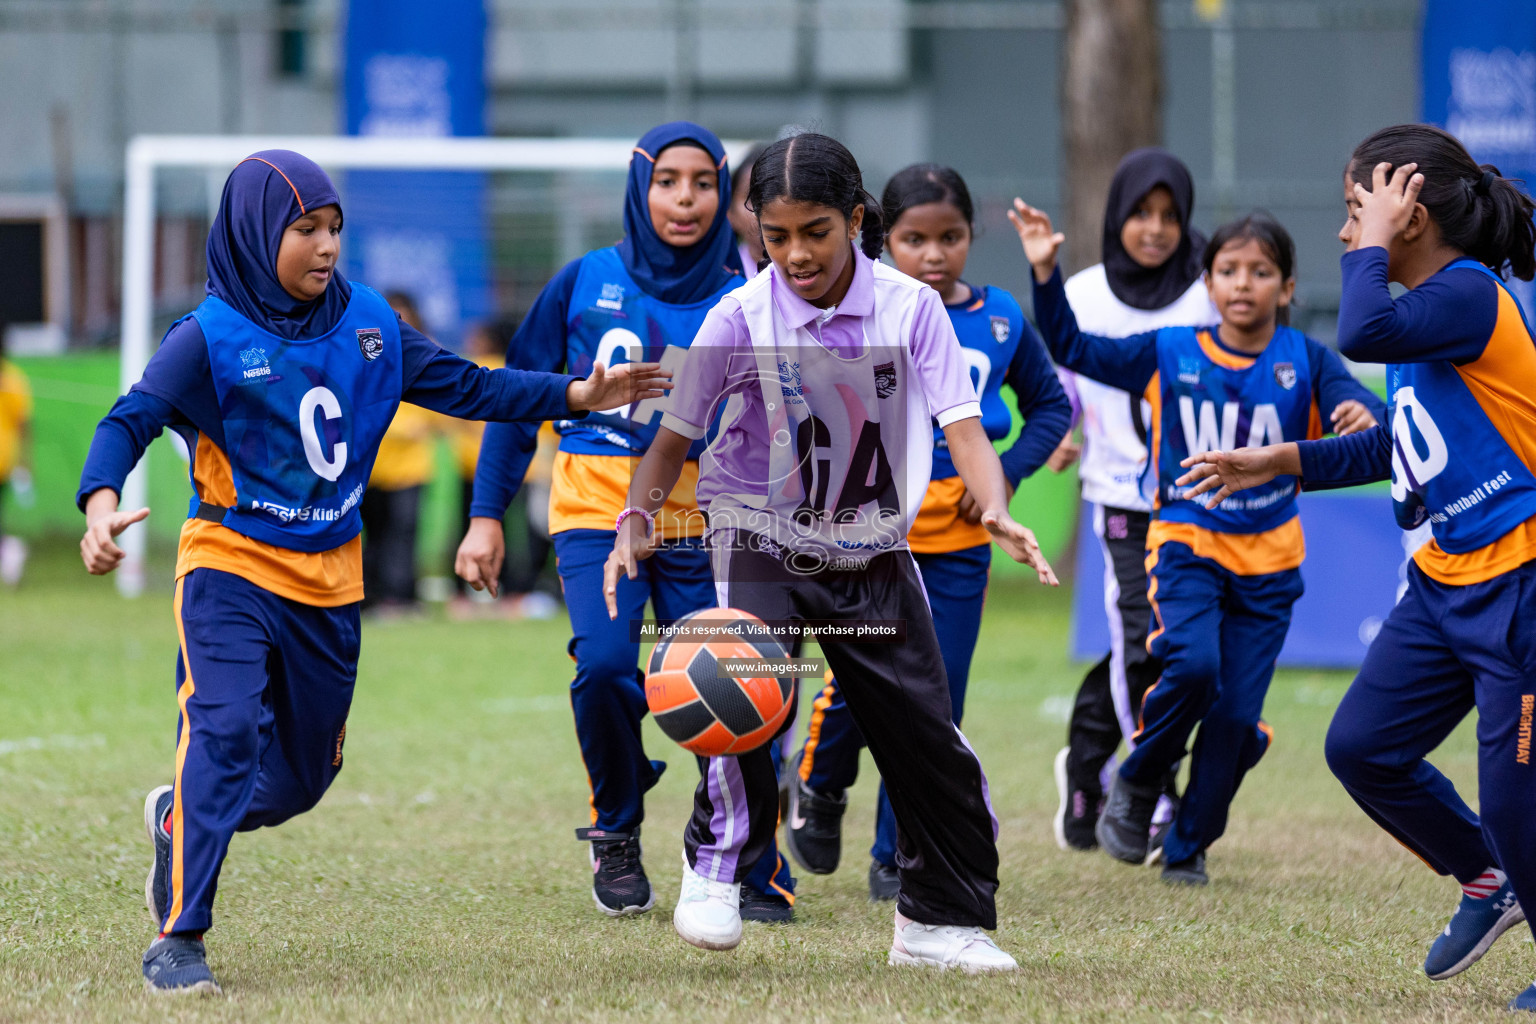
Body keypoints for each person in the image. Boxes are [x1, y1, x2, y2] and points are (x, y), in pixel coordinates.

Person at [74, 150, 668, 996]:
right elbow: (128, 420)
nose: (324, 247)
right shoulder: (204, 335)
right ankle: (181, 936)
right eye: (304, 230)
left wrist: (577, 395)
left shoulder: (371, 324)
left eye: (333, 231)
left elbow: (471, 388)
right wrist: (100, 504)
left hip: (330, 580)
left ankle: (180, 816)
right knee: (225, 731)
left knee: (301, 779)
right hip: (230, 567)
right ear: (252, 233)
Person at [604, 132, 1059, 969]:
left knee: (926, 732)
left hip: (870, 542)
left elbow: (964, 428)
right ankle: (715, 870)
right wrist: (636, 515)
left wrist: (995, 508)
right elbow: (672, 440)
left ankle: (936, 925)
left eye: (815, 230)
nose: (796, 253)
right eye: (775, 237)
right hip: (756, 531)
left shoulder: (910, 307)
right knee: (739, 680)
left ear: (855, 218)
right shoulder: (736, 316)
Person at [1178, 124, 1536, 1010]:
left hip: (1520, 584)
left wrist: (1376, 242)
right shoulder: (1427, 317)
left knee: (1519, 803)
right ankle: (1489, 883)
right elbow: (1398, 447)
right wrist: (1275, 460)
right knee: (1363, 749)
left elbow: (1364, 326)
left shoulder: (1465, 295)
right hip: (1445, 587)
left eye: (1358, 213)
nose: (1348, 234)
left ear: (1409, 214)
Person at [455, 122, 797, 922]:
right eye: (667, 180)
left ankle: (750, 862)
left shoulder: (750, 293)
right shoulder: (581, 282)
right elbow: (516, 405)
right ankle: (616, 828)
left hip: (705, 521)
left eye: (703, 182)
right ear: (639, 188)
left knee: (740, 678)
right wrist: (485, 517)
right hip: (594, 515)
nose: (685, 198)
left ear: (726, 194)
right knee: (608, 667)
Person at [1014, 199, 1383, 885]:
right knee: (1192, 668)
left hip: (1272, 563)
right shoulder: (1170, 350)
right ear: (1208, 285)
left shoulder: (1307, 359)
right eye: (1229, 270)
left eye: (1261, 271)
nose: (1244, 283)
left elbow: (1377, 436)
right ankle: (1140, 775)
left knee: (1237, 723)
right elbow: (1072, 349)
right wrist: (1045, 274)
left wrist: (1362, 414)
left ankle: (1187, 846)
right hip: (1186, 542)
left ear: (1288, 287)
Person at [782, 163, 1072, 900]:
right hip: (873, 531)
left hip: (959, 545)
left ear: (972, 236)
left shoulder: (1001, 317)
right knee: (859, 682)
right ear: (884, 239)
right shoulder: (869, 308)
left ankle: (896, 852)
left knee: (936, 702)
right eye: (915, 238)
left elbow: (1049, 408)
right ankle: (818, 776)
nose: (935, 253)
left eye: (952, 237)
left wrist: (1001, 480)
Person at [1048, 149, 1220, 854]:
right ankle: (1152, 792)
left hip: (1200, 495)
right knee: (1140, 645)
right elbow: (1065, 378)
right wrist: (1065, 432)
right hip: (1121, 492)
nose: (1154, 229)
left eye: (1169, 216)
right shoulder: (1084, 293)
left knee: (1170, 648)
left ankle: (1086, 766)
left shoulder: (1211, 288)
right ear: (1117, 215)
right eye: (1141, 214)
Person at [448, 318, 558, 618]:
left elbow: (455, 416)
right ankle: (515, 591)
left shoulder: (476, 365)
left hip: (474, 467)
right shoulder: (520, 370)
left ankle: (467, 593)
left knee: (471, 529)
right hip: (514, 469)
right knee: (516, 533)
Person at [359, 290, 436, 615]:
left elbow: (435, 410)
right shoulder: (363, 351)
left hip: (410, 467)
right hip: (373, 465)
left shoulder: (423, 351)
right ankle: (370, 595)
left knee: (403, 533)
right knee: (372, 535)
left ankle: (400, 596)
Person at [0, 324, 33, 586]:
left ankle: (9, 550)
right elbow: (24, 425)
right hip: (5, 458)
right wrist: (23, 462)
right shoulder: (13, 377)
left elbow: (23, 423)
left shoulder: (11, 379)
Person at [727, 143, 767, 277]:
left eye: (776, 194)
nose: (764, 208)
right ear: (730, 212)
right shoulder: (720, 281)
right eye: (753, 197)